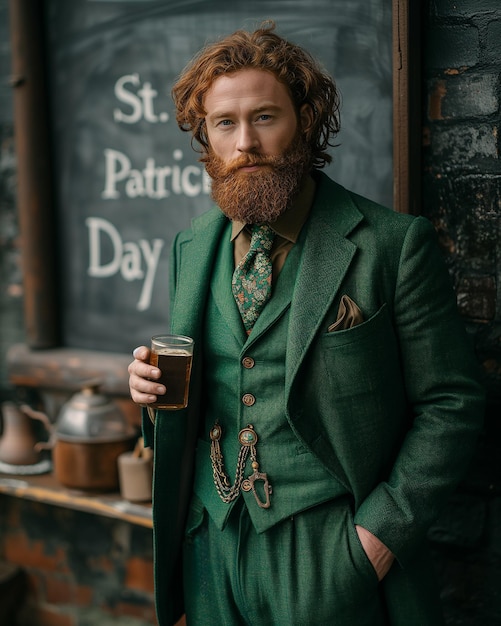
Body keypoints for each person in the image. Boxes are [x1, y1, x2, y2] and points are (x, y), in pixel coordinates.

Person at [128, 22, 484, 626]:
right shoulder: (191, 246)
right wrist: (148, 394)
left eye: (265, 117)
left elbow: (452, 402)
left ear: (305, 121)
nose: (246, 143)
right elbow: (208, 391)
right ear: (206, 138)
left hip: (332, 551)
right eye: (224, 123)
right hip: (210, 547)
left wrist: (374, 541)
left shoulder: (392, 246)